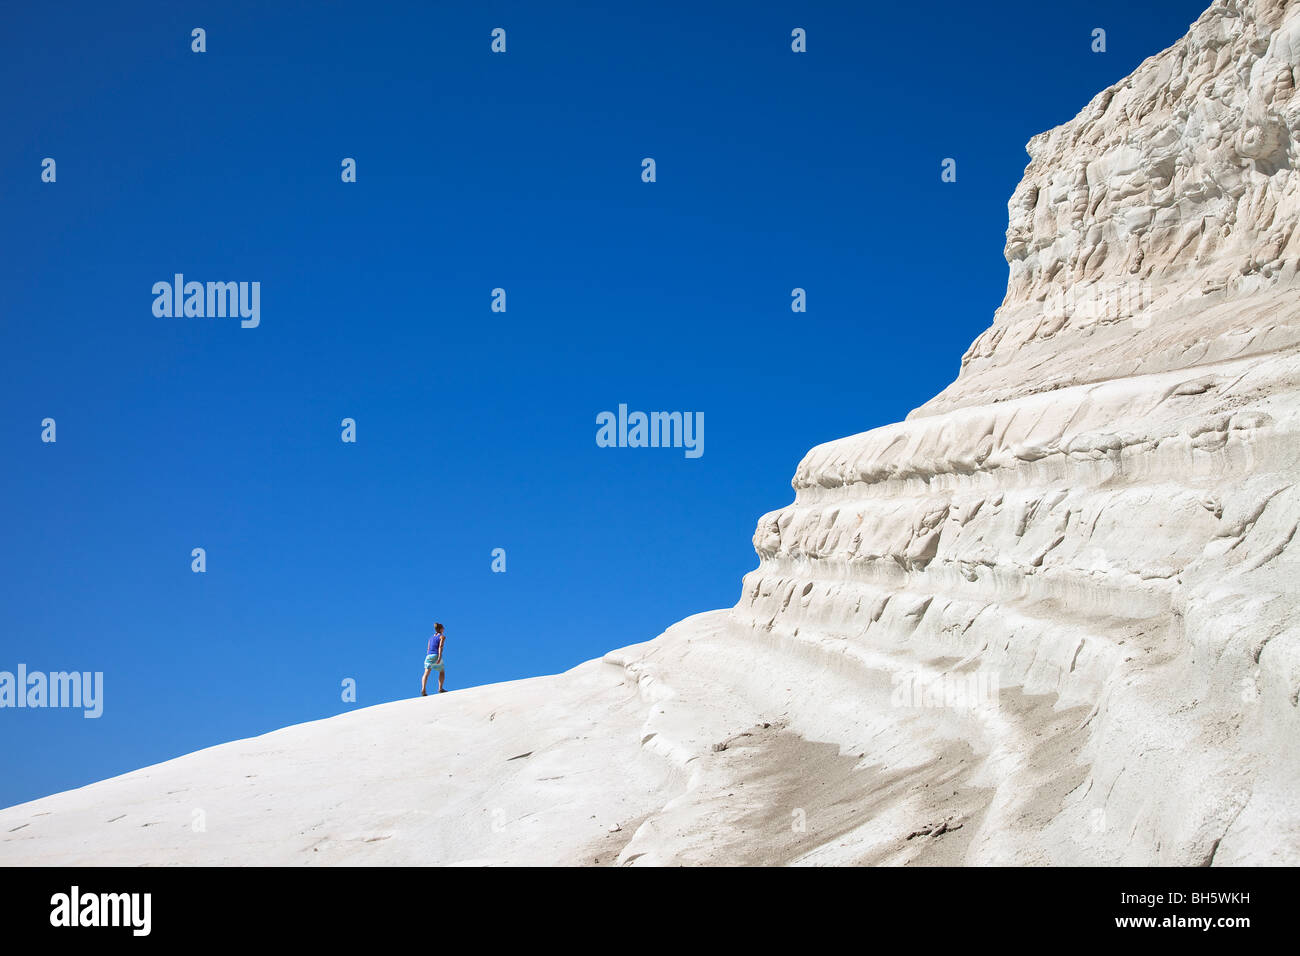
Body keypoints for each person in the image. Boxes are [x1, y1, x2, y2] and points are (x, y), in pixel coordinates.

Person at [421, 623, 447, 696]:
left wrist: (429, 656)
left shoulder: (430, 638)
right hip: (435, 655)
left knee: (426, 673)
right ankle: (440, 688)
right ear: (441, 629)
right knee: (442, 671)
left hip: (428, 656)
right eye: (443, 628)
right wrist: (439, 657)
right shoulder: (442, 637)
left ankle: (423, 689)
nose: (444, 629)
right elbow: (440, 647)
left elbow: (428, 648)